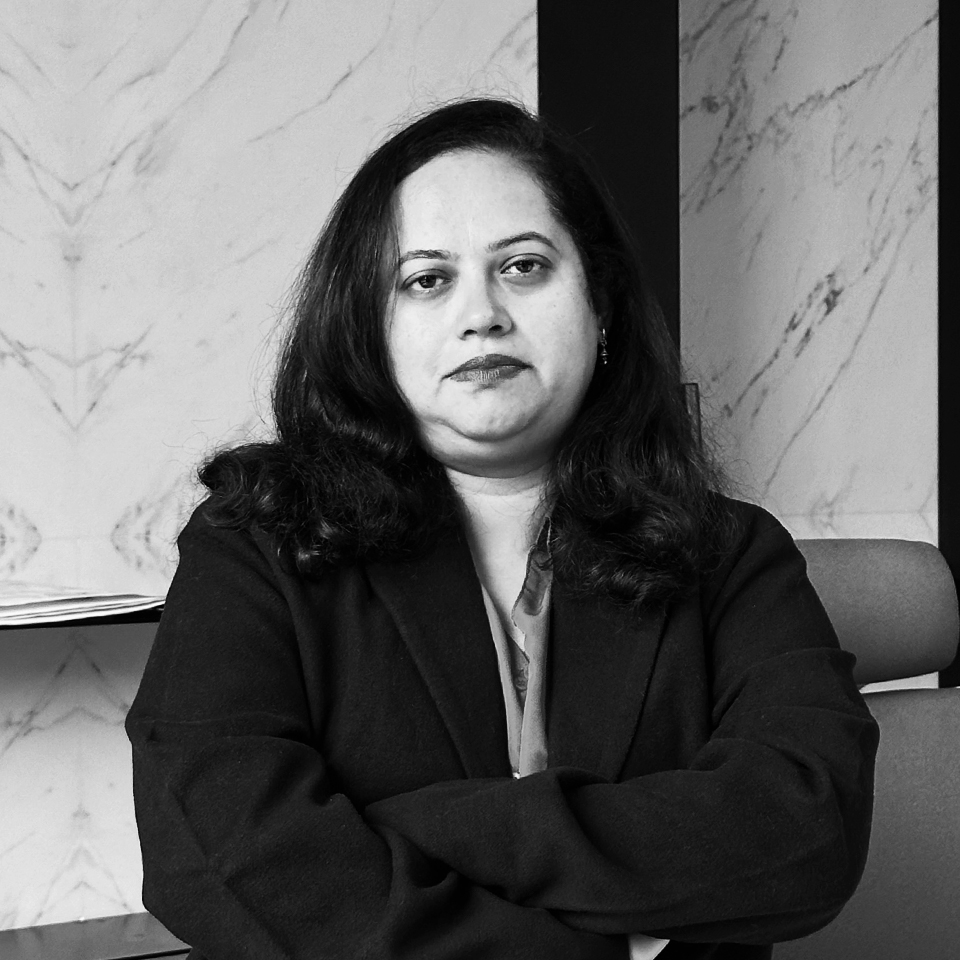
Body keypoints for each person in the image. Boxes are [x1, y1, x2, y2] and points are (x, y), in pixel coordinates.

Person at [126, 99, 879, 960]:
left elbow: (808, 830)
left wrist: (407, 830)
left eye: (524, 266)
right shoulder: (255, 540)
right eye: (426, 279)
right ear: (368, 327)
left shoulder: (729, 553)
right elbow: (214, 858)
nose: (481, 313)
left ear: (601, 307)